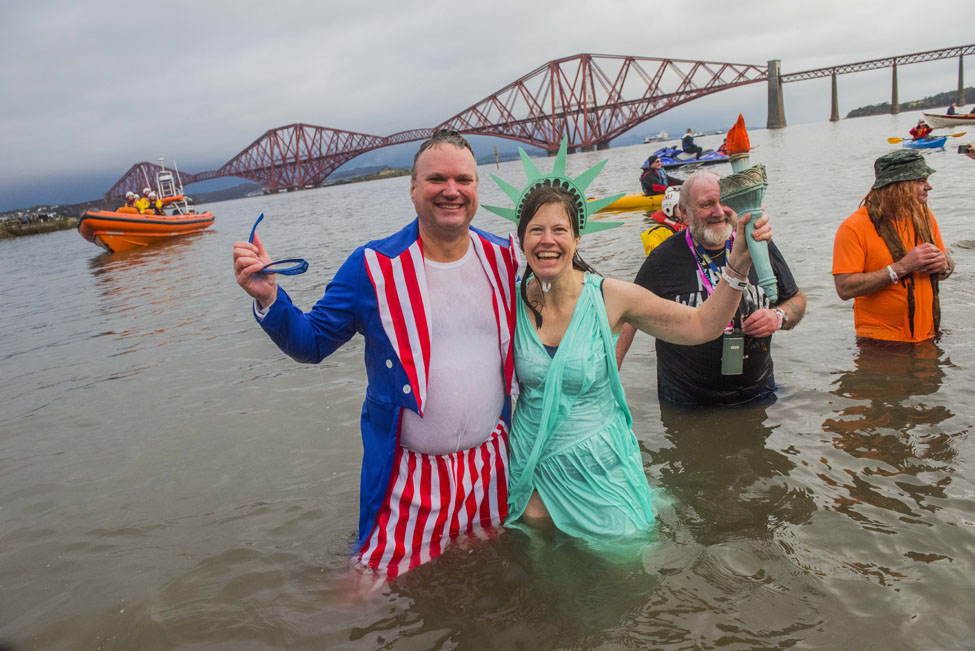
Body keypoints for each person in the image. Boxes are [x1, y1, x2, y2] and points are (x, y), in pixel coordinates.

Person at [232, 129, 520, 578]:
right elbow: (311, 344)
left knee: (486, 581)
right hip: (409, 479)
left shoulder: (504, 259)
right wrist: (271, 298)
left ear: (476, 188)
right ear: (412, 189)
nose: (451, 190)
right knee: (363, 595)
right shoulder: (372, 266)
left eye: (464, 179)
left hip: (491, 467)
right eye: (436, 179)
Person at [482, 147, 772, 544]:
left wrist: (737, 264)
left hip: (601, 470)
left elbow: (702, 324)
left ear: (577, 237)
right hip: (533, 475)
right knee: (545, 568)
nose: (547, 241)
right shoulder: (507, 301)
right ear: (521, 239)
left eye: (559, 230)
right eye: (536, 230)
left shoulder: (612, 297)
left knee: (628, 570)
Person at [616, 171, 806, 407]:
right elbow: (626, 320)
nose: (719, 212)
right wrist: (604, 384)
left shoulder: (756, 244)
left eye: (724, 202)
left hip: (758, 394)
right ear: (684, 212)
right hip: (688, 404)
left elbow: (796, 300)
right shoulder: (662, 260)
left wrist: (779, 316)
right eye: (707, 205)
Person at [832, 150, 953, 343]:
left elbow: (946, 263)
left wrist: (944, 265)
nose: (928, 187)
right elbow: (844, 289)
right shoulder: (853, 228)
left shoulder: (924, 216)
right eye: (920, 180)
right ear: (897, 186)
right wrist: (902, 267)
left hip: (929, 335)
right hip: (882, 345)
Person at [640, 186, 685, 257]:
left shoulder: (687, 227)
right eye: (679, 207)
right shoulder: (656, 233)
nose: (684, 210)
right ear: (669, 209)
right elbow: (655, 259)